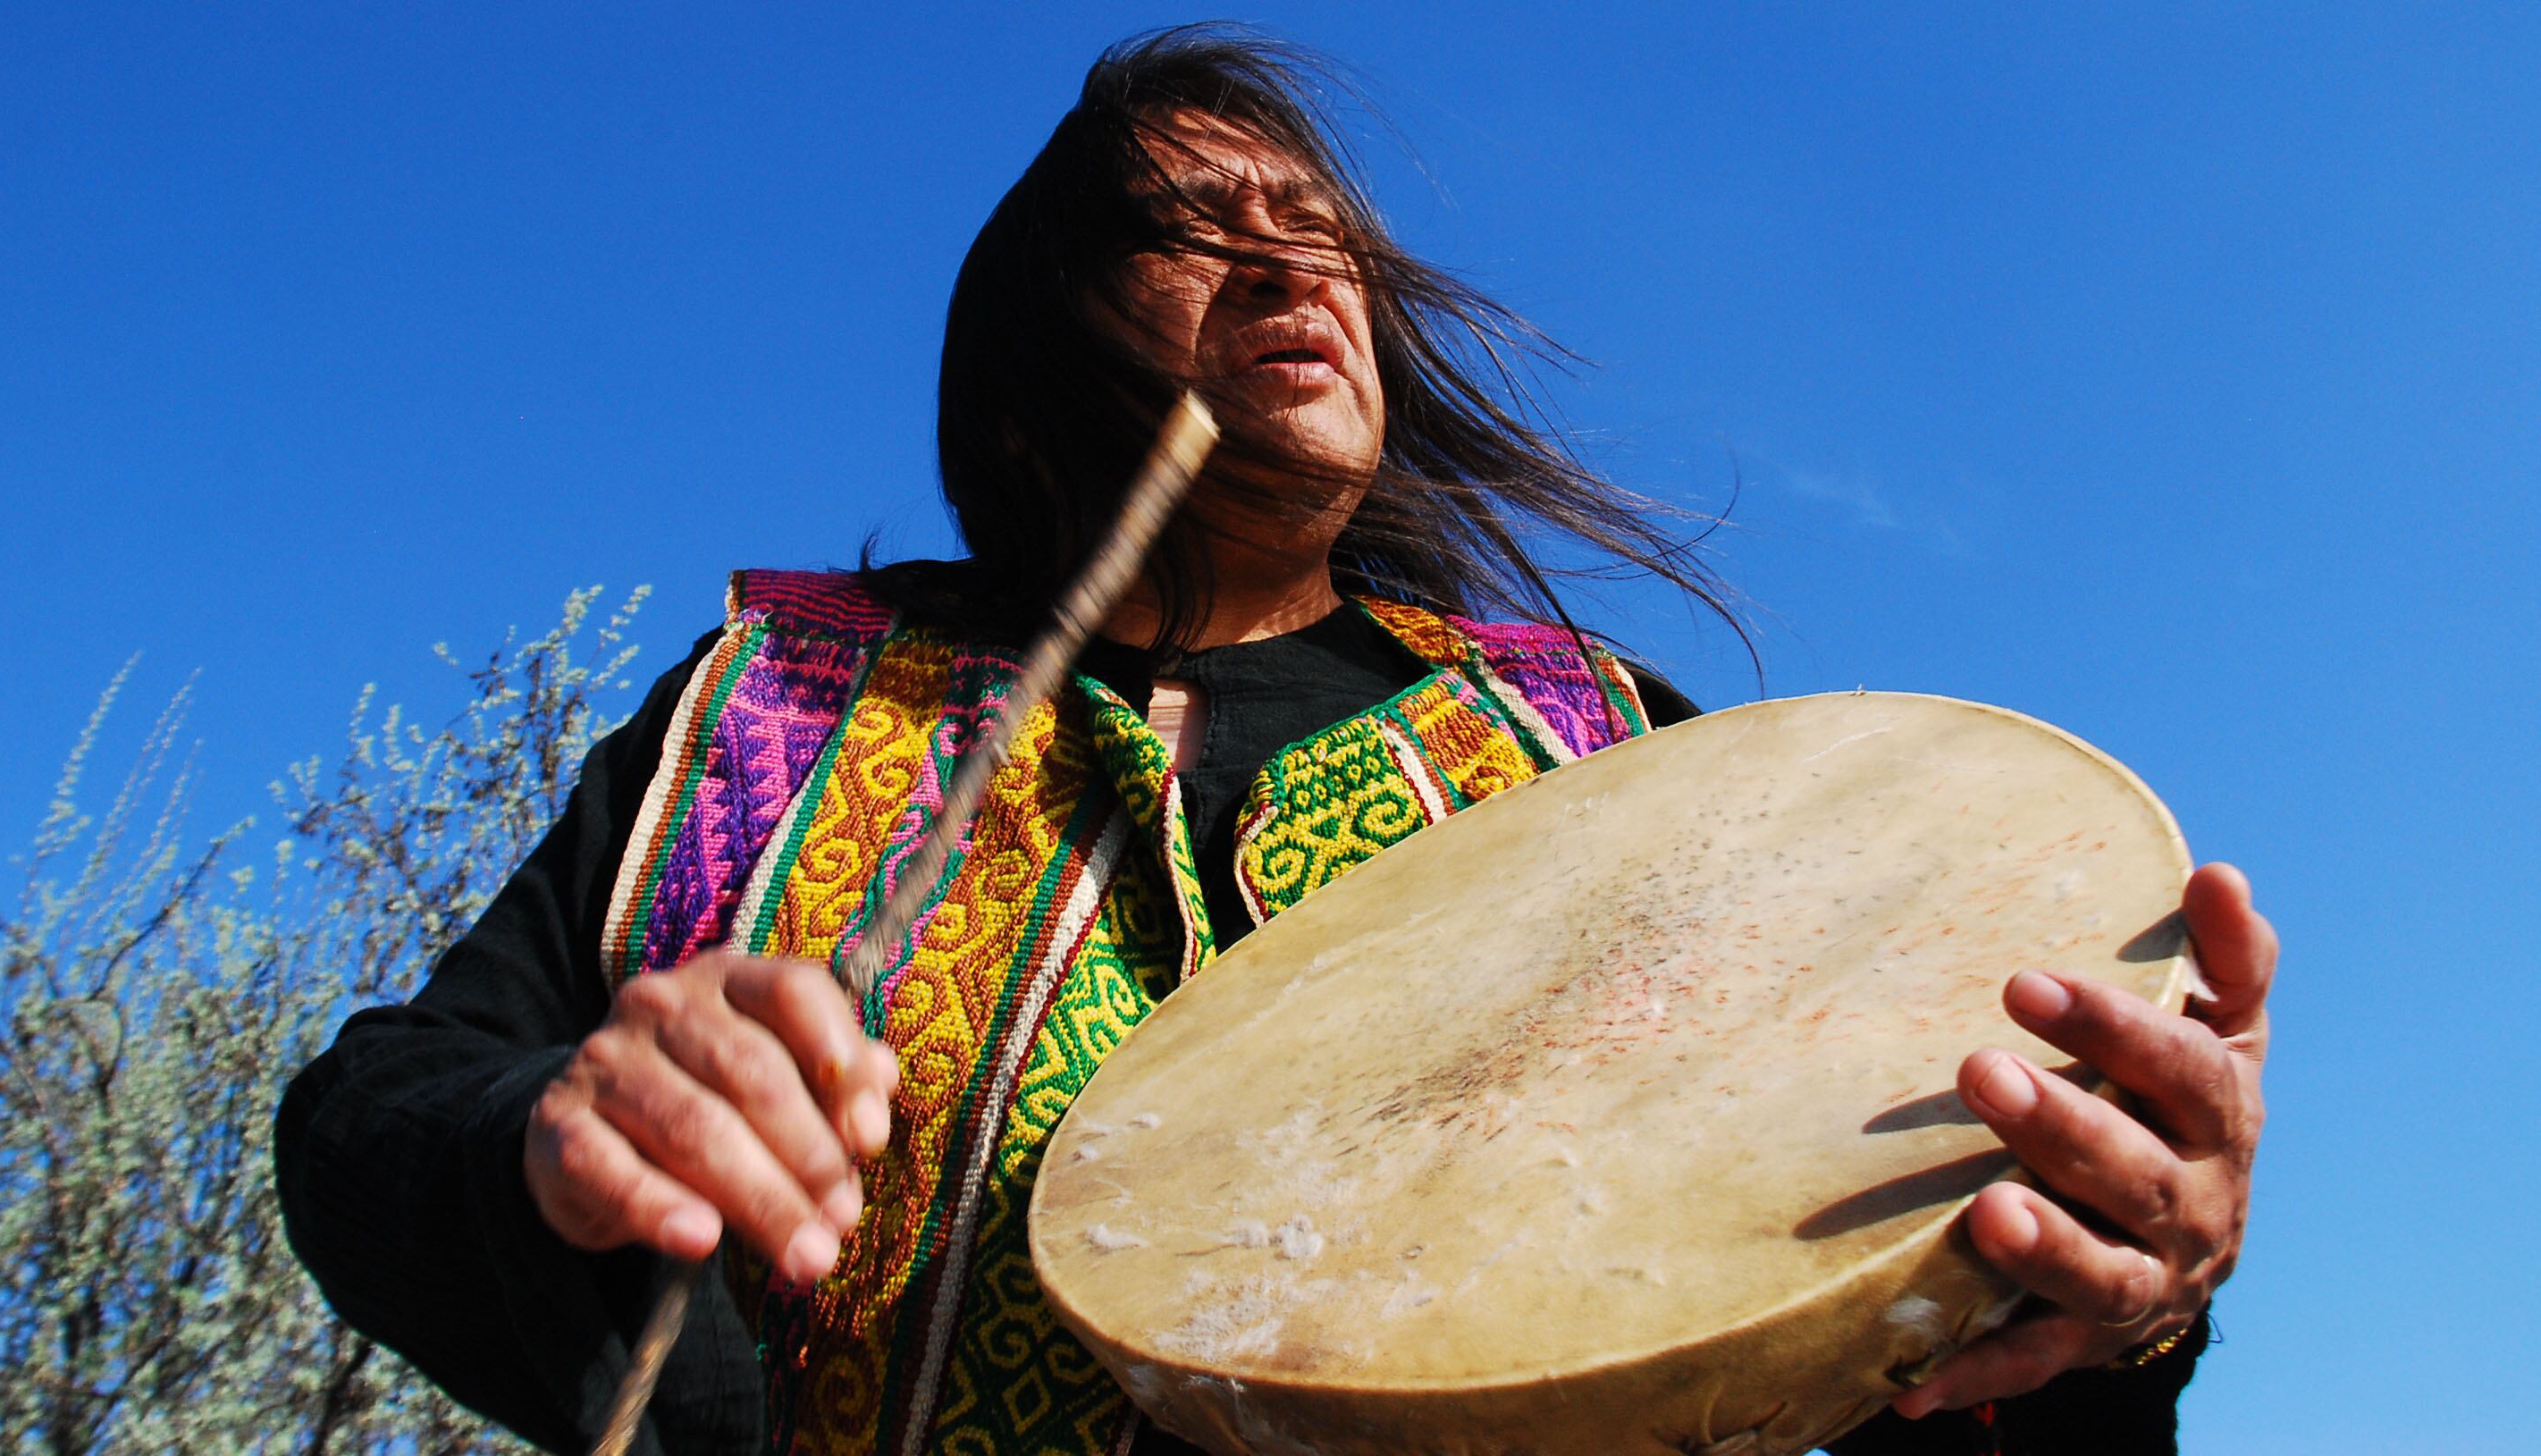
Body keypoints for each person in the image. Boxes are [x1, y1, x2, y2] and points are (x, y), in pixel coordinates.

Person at [276, 27, 2273, 1456]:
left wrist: (2121, 1300)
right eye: (1192, 223)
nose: (1289, 258)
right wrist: (556, 1134)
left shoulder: (1587, 750)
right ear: (1050, 321)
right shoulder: (779, 719)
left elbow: (1875, 1333)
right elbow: (368, 1118)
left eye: (1310, 222)